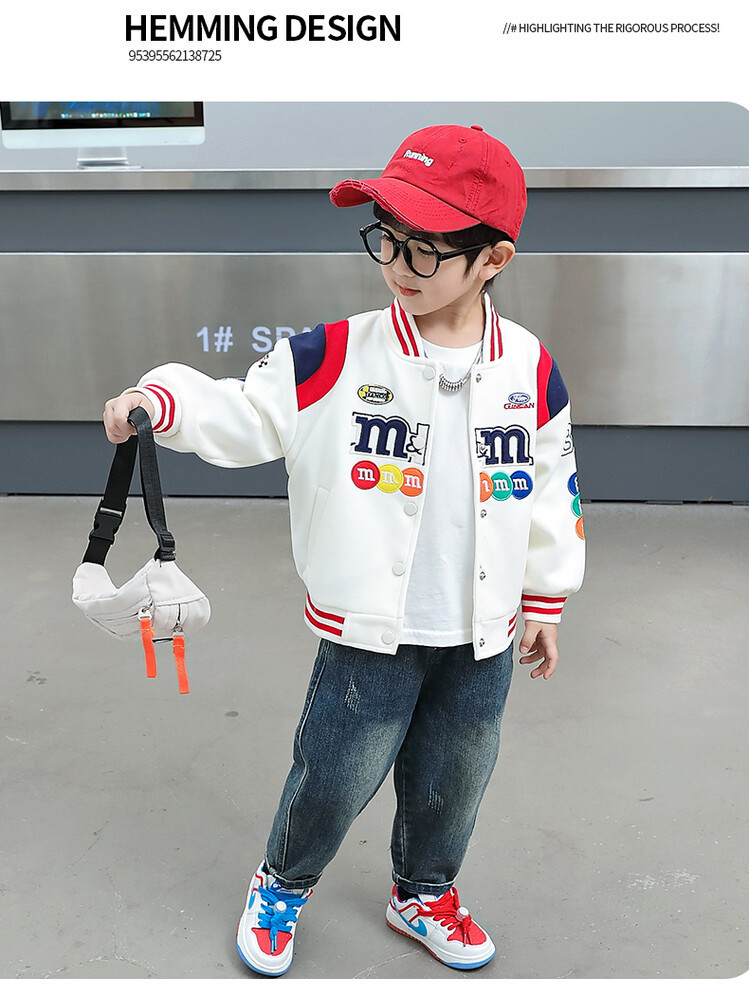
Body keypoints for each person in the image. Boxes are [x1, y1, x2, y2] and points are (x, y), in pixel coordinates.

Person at [103, 124, 585, 977]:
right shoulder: (334, 355)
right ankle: (282, 880)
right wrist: (161, 399)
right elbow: (242, 410)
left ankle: (423, 890)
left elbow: (550, 486)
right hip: (367, 631)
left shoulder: (530, 368)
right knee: (332, 772)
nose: (398, 264)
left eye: (425, 249)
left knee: (454, 777)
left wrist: (544, 598)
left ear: (494, 259)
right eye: (386, 238)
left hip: (482, 635)